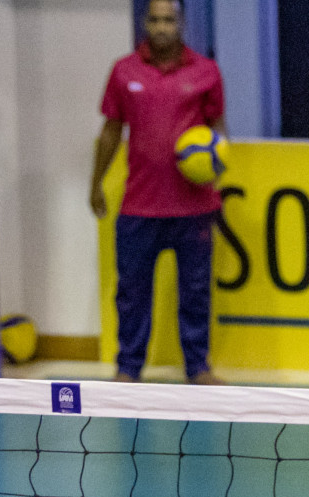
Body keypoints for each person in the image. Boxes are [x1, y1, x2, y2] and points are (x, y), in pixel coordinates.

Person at [90, 0, 227, 386]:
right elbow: (111, 132)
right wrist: (96, 183)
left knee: (196, 292)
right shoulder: (123, 72)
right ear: (144, 22)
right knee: (131, 292)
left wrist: (215, 167)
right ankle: (128, 367)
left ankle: (198, 367)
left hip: (194, 207)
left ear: (181, 23)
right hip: (139, 206)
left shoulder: (206, 72)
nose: (162, 26)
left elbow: (218, 129)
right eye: (155, 19)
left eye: (169, 19)